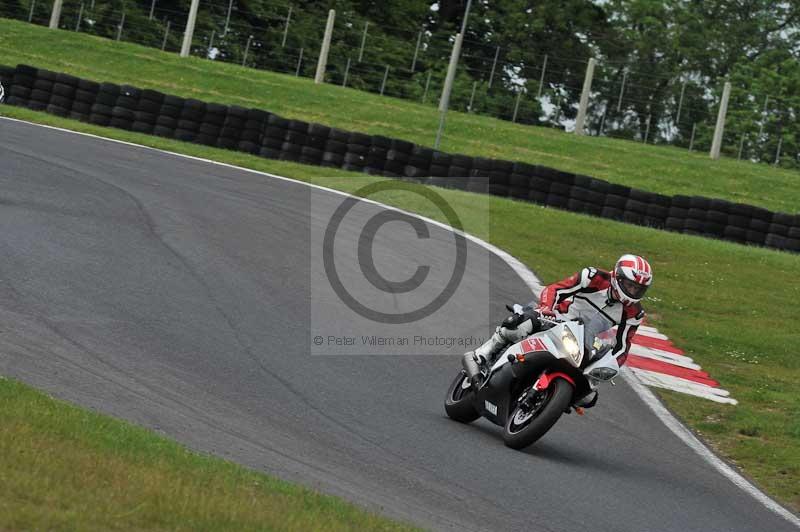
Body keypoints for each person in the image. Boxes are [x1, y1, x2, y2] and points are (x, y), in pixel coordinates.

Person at [462, 254, 653, 407]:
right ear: (617, 277)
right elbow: (556, 289)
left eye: (638, 289)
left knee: (588, 397)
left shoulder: (634, 313)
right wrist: (546, 308)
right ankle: (483, 354)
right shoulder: (593, 277)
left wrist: (611, 366)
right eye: (630, 285)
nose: (633, 292)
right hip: (559, 320)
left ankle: (546, 400)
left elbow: (622, 347)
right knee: (521, 324)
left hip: (586, 342)